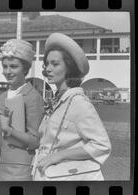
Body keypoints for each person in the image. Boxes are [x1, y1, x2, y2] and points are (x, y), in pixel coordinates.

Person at [33, 33, 111, 181]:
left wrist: (59, 155)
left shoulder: (78, 102)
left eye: (55, 64)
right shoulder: (57, 99)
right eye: (47, 64)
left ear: (69, 67)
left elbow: (101, 145)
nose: (47, 69)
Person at [0, 39, 44, 181]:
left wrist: (10, 130)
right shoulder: (2, 96)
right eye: (5, 66)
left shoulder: (33, 97)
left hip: (20, 171)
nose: (7, 72)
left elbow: (35, 141)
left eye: (13, 67)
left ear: (25, 69)